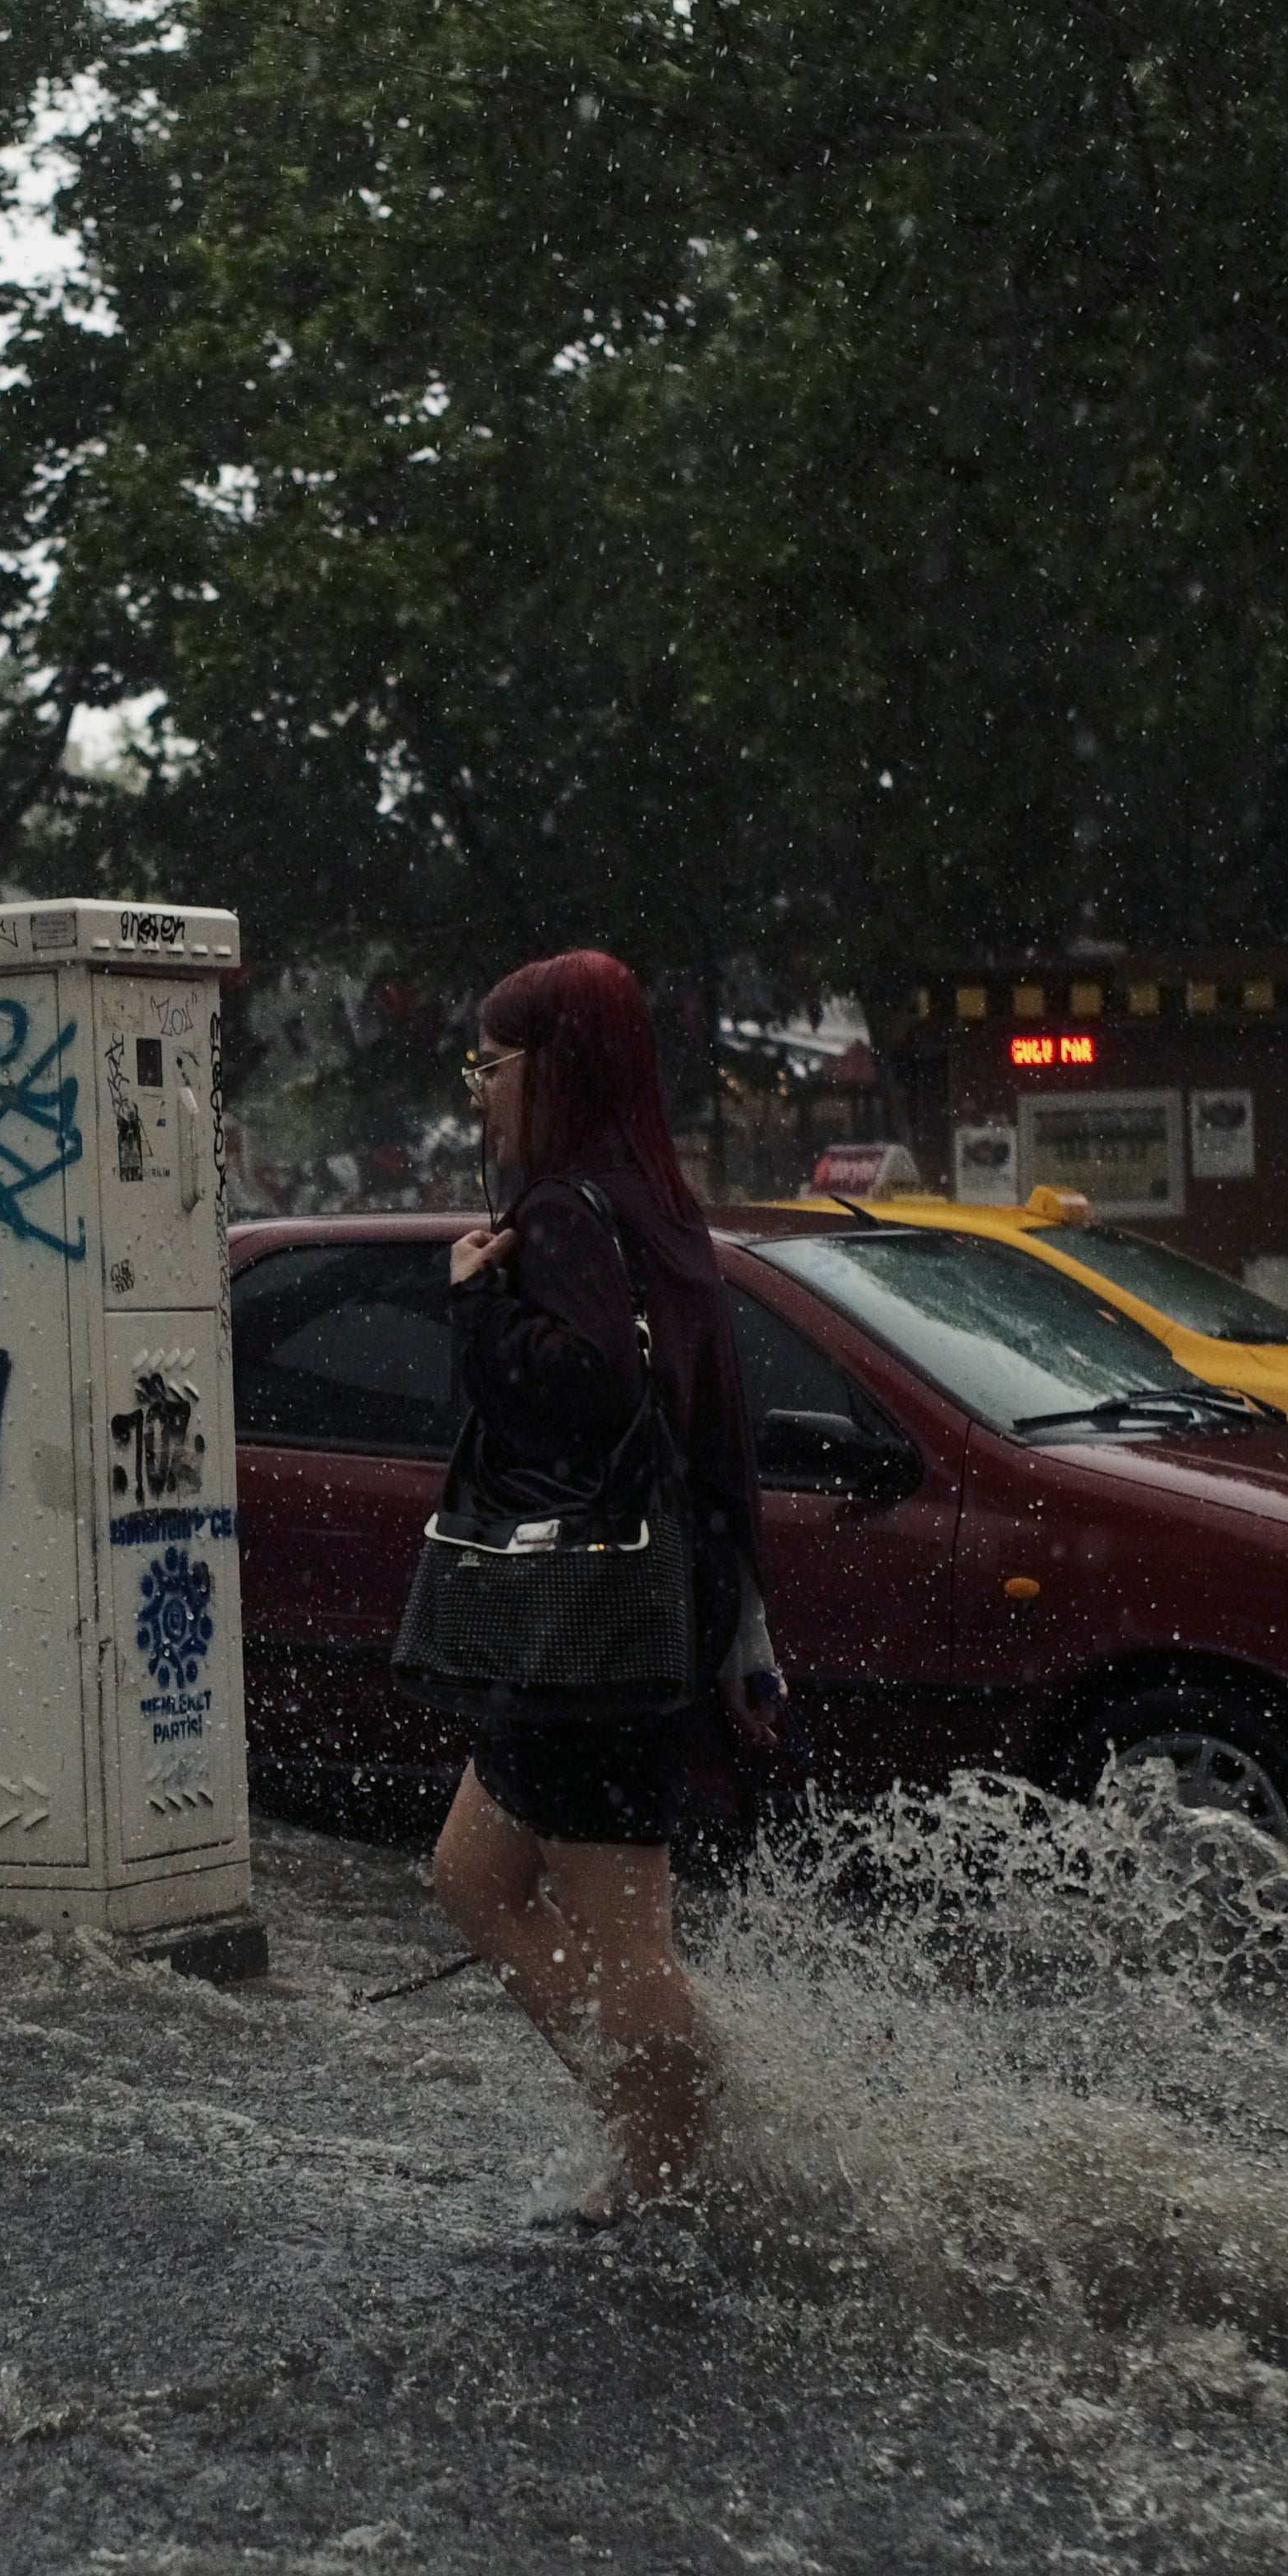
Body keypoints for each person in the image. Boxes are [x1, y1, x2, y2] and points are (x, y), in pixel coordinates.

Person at [430, 950, 779, 2221]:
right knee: (474, 1874)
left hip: (589, 1622)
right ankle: (666, 2132)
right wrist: (740, 1629)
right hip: (631, 1611)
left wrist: (476, 1305)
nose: (478, 1093)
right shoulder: (655, 1211)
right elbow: (714, 1435)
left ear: (555, 1069)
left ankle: (682, 2160)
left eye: (490, 1066)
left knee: (621, 1931)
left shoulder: (569, 1213)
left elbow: (585, 1393)